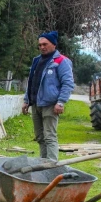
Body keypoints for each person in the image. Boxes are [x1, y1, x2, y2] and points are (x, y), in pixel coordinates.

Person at [22, 31, 75, 162]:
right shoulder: (37, 61)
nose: (42, 47)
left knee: (49, 136)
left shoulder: (61, 61)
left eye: (45, 44)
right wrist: (26, 100)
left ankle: (52, 166)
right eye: (40, 45)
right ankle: (42, 164)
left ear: (54, 44)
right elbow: (31, 82)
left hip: (51, 105)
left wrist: (61, 102)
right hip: (36, 104)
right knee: (40, 137)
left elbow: (68, 83)